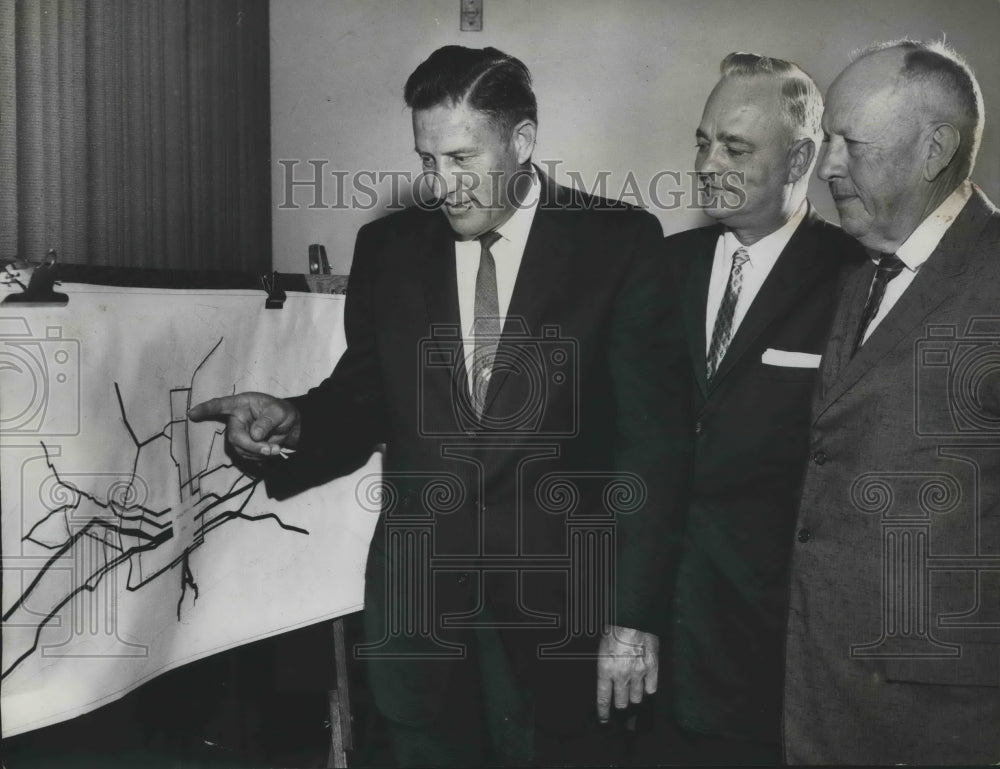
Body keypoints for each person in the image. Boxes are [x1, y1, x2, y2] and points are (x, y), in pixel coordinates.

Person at [190, 45, 691, 767]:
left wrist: (633, 617)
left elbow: (656, 445)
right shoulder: (389, 248)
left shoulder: (617, 244)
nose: (442, 184)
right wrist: (295, 417)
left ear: (521, 141)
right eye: (427, 160)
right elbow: (364, 397)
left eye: (462, 158)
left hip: (563, 624)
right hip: (420, 623)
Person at [630, 53, 865, 766]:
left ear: (799, 158)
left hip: (776, 656)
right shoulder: (663, 267)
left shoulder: (852, 279)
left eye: (734, 146)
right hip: (656, 648)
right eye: (703, 141)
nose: (707, 163)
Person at [784, 40, 1000, 764]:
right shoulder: (861, 274)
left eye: (852, 144)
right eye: (826, 143)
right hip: (830, 694)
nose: (828, 166)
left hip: (946, 718)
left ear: (934, 148)